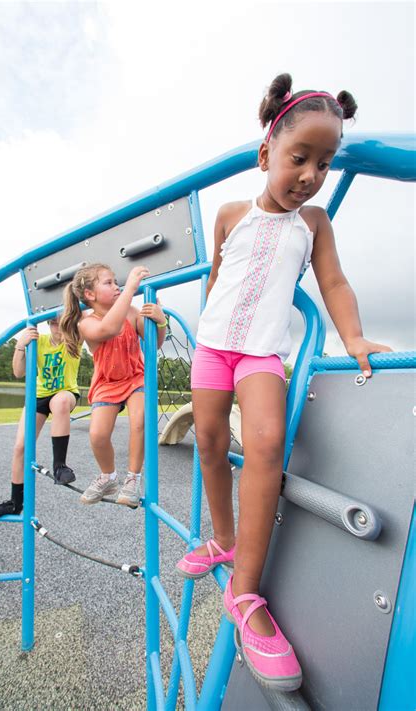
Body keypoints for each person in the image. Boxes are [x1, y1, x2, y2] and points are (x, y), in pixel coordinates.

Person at [175, 73, 392, 691]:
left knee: (266, 445)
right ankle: (221, 538)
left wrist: (352, 338)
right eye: (300, 158)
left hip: (263, 354)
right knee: (211, 443)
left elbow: (336, 286)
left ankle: (245, 595)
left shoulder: (315, 224)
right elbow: (217, 276)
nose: (311, 175)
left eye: (324, 164)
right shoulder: (230, 214)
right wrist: (203, 328)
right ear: (267, 152)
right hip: (214, 347)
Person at [60, 262, 166, 508]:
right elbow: (109, 328)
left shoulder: (132, 312)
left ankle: (133, 479)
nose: (116, 285)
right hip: (107, 382)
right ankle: (108, 476)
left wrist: (161, 322)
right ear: (90, 295)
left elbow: (154, 345)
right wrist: (130, 286)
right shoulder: (86, 322)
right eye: (108, 283)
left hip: (134, 376)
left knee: (139, 421)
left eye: (117, 281)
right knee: (97, 435)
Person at [0, 317, 81, 517]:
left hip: (65, 393)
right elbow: (18, 372)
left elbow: (84, 315)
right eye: (53, 323)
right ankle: (15, 502)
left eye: (62, 322)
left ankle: (60, 467)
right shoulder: (40, 341)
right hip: (38, 396)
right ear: (48, 324)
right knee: (21, 447)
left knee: (60, 402)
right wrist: (21, 344)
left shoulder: (74, 339)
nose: (57, 327)